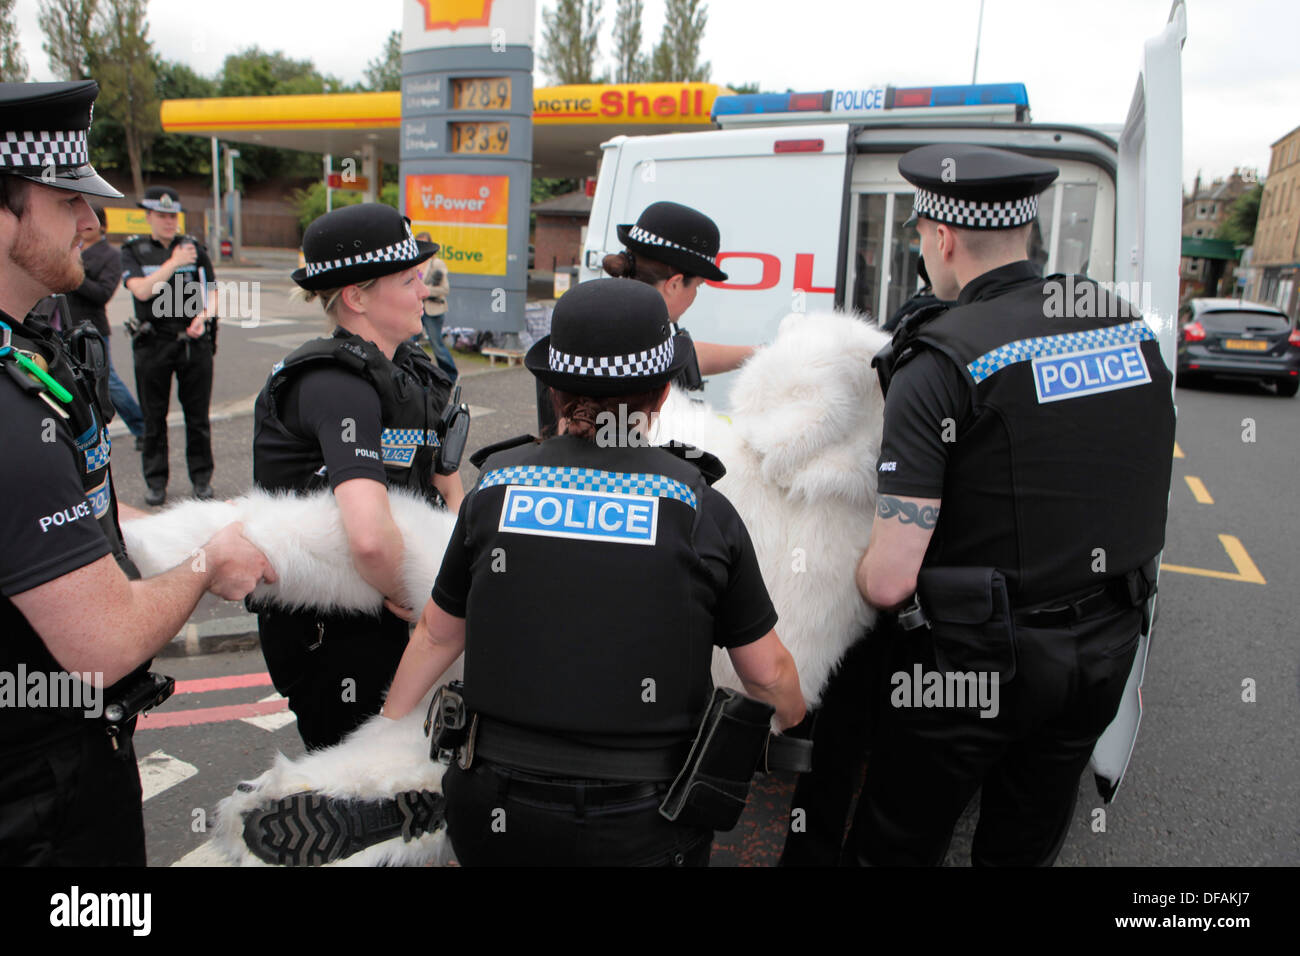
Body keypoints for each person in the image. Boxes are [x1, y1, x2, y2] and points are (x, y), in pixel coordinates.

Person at [383, 278, 806, 867]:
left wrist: (381, 740)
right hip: (644, 818)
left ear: (554, 390)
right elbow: (766, 673)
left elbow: (437, 635)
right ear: (662, 397)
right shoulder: (701, 510)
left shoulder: (495, 490)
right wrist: (796, 725)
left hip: (496, 806)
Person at [848, 144, 1175, 866]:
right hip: (1105, 648)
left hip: (975, 660)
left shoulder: (939, 360)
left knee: (897, 841)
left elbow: (890, 580)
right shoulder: (1124, 326)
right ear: (1026, 233)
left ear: (942, 237)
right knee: (1023, 844)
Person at [0, 80, 274, 866]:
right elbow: (103, 642)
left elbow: (61, 523)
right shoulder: (10, 409)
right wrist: (207, 562)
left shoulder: (26, 352)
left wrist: (170, 527)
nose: (92, 222)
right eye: (65, 199)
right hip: (39, 798)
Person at [251, 202, 465, 751]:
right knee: (359, 798)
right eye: (408, 278)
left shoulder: (412, 372)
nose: (424, 290)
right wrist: (426, 606)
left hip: (395, 616)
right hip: (340, 636)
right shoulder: (334, 383)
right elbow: (369, 540)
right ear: (356, 296)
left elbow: (445, 480)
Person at [535, 201, 755, 435]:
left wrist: (761, 353)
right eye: (698, 286)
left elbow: (687, 354)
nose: (695, 296)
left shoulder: (599, 322)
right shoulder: (633, 344)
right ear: (675, 284)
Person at [120, 186, 217, 506]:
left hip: (192, 341)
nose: (168, 221)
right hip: (153, 342)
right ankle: (156, 481)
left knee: (198, 416)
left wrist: (204, 316)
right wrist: (174, 263)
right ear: (148, 217)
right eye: (161, 216)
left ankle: (202, 478)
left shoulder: (194, 248)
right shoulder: (134, 250)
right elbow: (143, 291)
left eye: (172, 215)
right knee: (153, 417)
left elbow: (213, 292)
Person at [66, 204, 146, 447]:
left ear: (99, 224)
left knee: (106, 381)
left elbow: (102, 293)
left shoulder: (110, 255)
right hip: (61, 324)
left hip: (92, 328)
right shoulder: (69, 247)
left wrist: (73, 273)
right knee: (69, 380)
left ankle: (141, 426)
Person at [408, 232, 458, 382]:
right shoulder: (412, 263)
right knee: (409, 343)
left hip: (433, 309)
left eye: (425, 243)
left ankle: (451, 376)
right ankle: (411, 375)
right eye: (418, 243)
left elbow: (444, 289)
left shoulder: (437, 264)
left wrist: (425, 291)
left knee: (437, 345)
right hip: (415, 309)